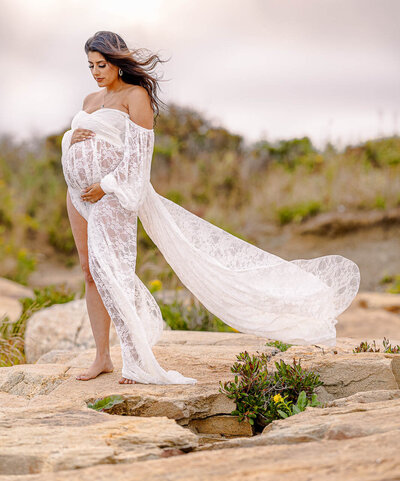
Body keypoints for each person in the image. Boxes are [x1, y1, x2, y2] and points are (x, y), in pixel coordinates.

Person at [61, 30, 361, 386]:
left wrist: (107, 185)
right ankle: (102, 358)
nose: (96, 72)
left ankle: (137, 360)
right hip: (77, 194)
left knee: (115, 273)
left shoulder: (135, 96)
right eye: (91, 65)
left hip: (111, 194)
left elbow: (139, 160)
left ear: (118, 61)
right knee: (89, 271)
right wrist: (71, 139)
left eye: (102, 64)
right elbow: (78, 142)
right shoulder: (90, 98)